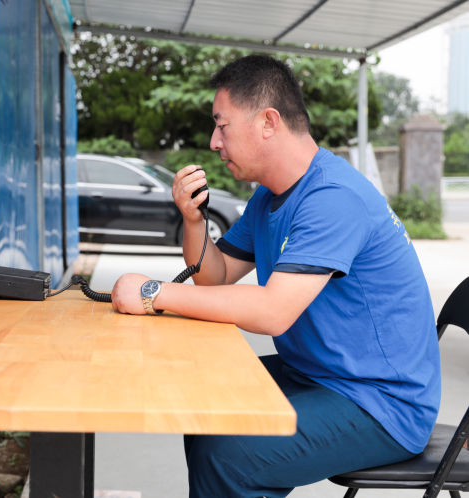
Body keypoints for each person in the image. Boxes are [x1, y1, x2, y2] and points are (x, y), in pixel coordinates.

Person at [110, 54, 441, 497]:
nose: (213, 141)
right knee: (203, 400)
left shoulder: (333, 198)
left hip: (380, 404)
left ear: (268, 122)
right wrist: (193, 221)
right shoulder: (271, 197)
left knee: (230, 454)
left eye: (222, 125)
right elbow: (216, 276)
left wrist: (153, 292)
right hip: (317, 374)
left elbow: (272, 312)